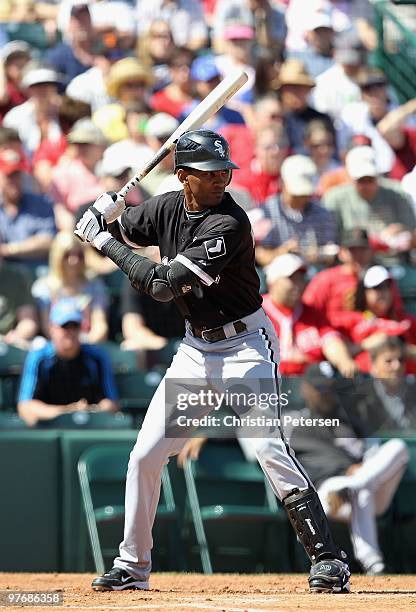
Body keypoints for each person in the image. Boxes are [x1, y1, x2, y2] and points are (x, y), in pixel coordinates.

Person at [75, 128, 351, 594]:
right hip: (196, 350)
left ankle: (328, 559)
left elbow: (162, 284)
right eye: (208, 172)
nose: (221, 178)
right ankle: (131, 565)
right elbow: (124, 228)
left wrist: (103, 241)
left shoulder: (230, 223)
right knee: (145, 455)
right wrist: (103, 212)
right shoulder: (165, 205)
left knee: (266, 446)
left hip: (245, 347)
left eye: (224, 170)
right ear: (183, 176)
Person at [289, 363, 409, 576]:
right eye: (320, 389)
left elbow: (374, 450)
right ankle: (374, 564)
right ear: (305, 388)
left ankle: (352, 485)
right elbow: (304, 469)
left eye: (330, 388)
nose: (327, 394)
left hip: (364, 483)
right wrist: (346, 470)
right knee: (357, 490)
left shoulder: (351, 420)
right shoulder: (298, 424)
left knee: (397, 448)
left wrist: (362, 469)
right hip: (326, 492)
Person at [18, 297, 118, 427]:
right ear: (52, 328)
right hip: (50, 429)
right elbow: (25, 407)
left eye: (74, 326)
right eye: (64, 326)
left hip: (89, 428)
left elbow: (112, 404)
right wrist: (67, 411)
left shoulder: (97, 357)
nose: (70, 332)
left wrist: (88, 411)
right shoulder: (39, 357)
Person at [262, 253, 357, 377]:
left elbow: (330, 340)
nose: (298, 285)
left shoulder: (312, 313)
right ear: (272, 283)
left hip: (308, 384)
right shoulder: (256, 312)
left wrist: (343, 361)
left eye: (301, 278)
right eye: (292, 279)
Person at [323, 145, 416, 259]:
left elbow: (412, 228)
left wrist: (400, 229)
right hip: (352, 261)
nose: (366, 186)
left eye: (370, 180)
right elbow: (329, 240)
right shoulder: (335, 198)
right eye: (361, 181)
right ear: (351, 178)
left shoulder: (397, 192)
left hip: (392, 259)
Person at [254, 155, 337, 266]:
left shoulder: (323, 214)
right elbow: (259, 255)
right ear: (282, 183)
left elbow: (332, 252)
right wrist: (283, 252)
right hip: (279, 272)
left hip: (315, 272)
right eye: (296, 194)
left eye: (304, 194)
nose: (301, 198)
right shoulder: (266, 212)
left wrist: (318, 255)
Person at [31, 231, 110, 344]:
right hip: (56, 348)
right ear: (57, 256)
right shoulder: (43, 288)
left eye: (79, 255)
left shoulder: (95, 286)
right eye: (67, 255)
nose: (74, 261)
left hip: (87, 346)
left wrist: (83, 346)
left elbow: (100, 325)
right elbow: (47, 328)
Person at [0, 148, 56, 269]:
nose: (14, 181)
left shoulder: (40, 203)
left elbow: (46, 241)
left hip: (37, 270)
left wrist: (8, 249)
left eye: (17, 175)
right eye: (9, 176)